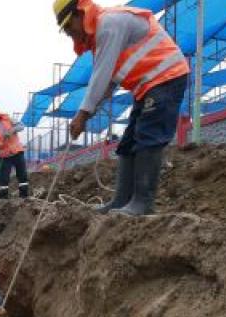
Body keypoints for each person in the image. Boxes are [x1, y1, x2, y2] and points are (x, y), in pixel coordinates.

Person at [53, 0, 189, 215]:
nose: (70, 34)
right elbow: (109, 79)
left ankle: (142, 203)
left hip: (166, 77)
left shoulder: (108, 24)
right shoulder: (103, 31)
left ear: (80, 13)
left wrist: (83, 114)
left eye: (69, 26)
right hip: (148, 86)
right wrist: (91, 108)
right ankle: (121, 201)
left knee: (148, 137)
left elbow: (101, 74)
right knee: (127, 144)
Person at [0, 107, 30, 199]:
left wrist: (12, 130)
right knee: (4, 177)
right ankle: (3, 197)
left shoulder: (8, 119)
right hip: (5, 156)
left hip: (17, 151)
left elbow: (21, 126)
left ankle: (23, 195)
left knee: (22, 174)